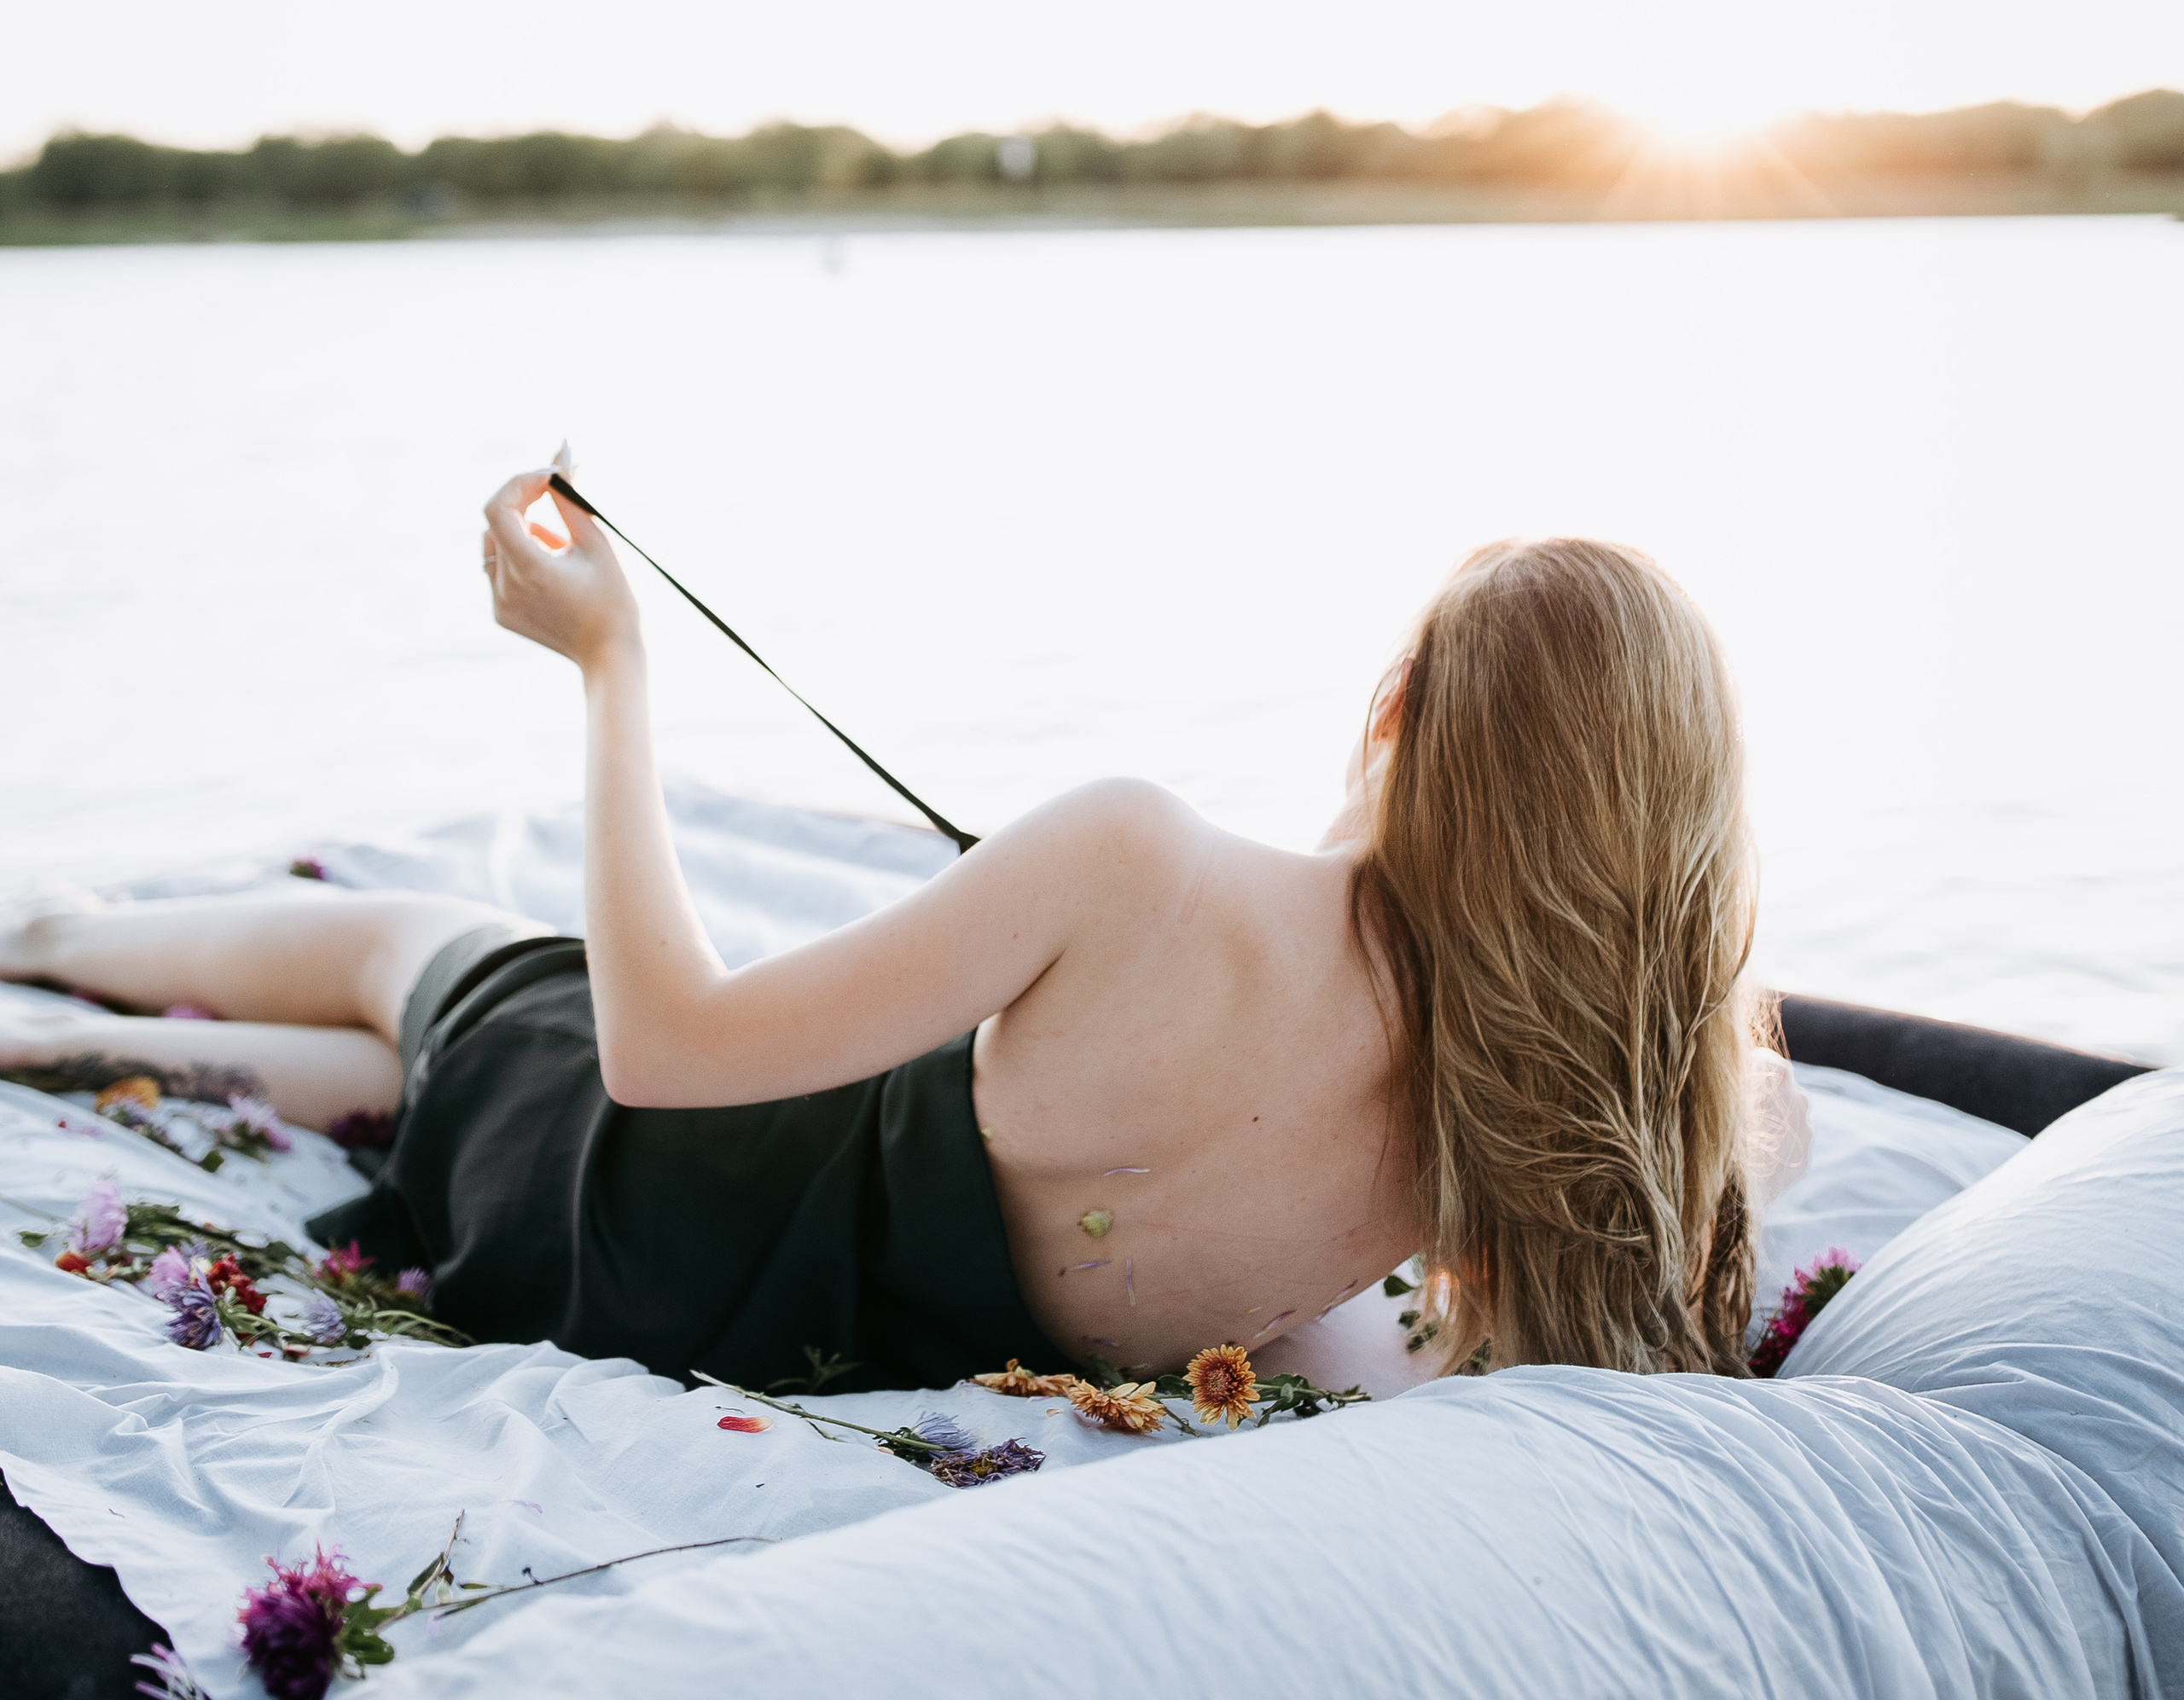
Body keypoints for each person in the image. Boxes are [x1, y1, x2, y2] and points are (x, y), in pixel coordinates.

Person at [2, 478, 1775, 1395]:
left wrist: (613, 667)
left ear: (1394, 710)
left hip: (624, 1189)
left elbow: (665, 1053)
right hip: (775, 1314)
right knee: (403, 1071)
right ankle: (45, 1034)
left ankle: (54, 927)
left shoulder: (1142, 861)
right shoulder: (1543, 1125)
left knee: (428, 950)